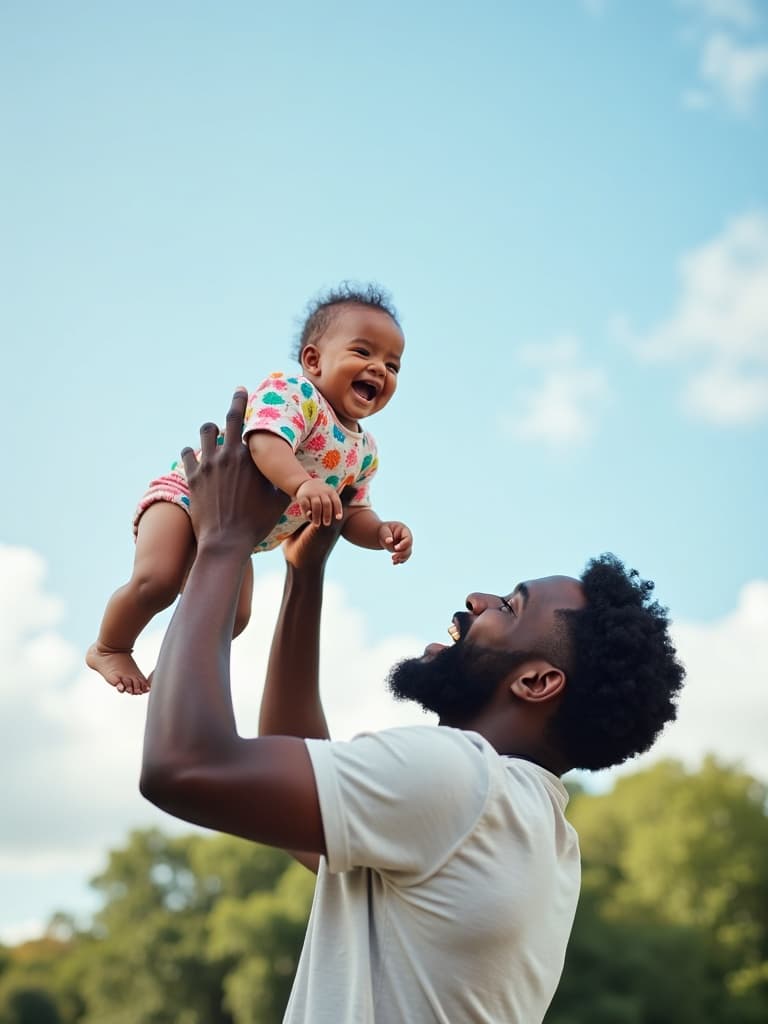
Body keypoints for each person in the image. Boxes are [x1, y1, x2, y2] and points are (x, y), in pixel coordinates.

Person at [139, 388, 686, 1024]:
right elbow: (304, 767)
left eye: (509, 607)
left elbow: (181, 767)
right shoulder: (533, 831)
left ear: (537, 683)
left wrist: (225, 540)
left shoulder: (464, 780)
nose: (478, 599)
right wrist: (305, 574)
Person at [87, 283, 412, 696]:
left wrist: (381, 532)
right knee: (158, 580)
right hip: (188, 499)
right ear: (313, 360)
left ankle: (172, 666)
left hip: (240, 535)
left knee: (235, 617)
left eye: (393, 365)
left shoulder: (364, 451)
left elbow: (351, 512)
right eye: (363, 353)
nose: (380, 369)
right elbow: (264, 441)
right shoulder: (296, 393)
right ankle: (109, 646)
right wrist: (302, 482)